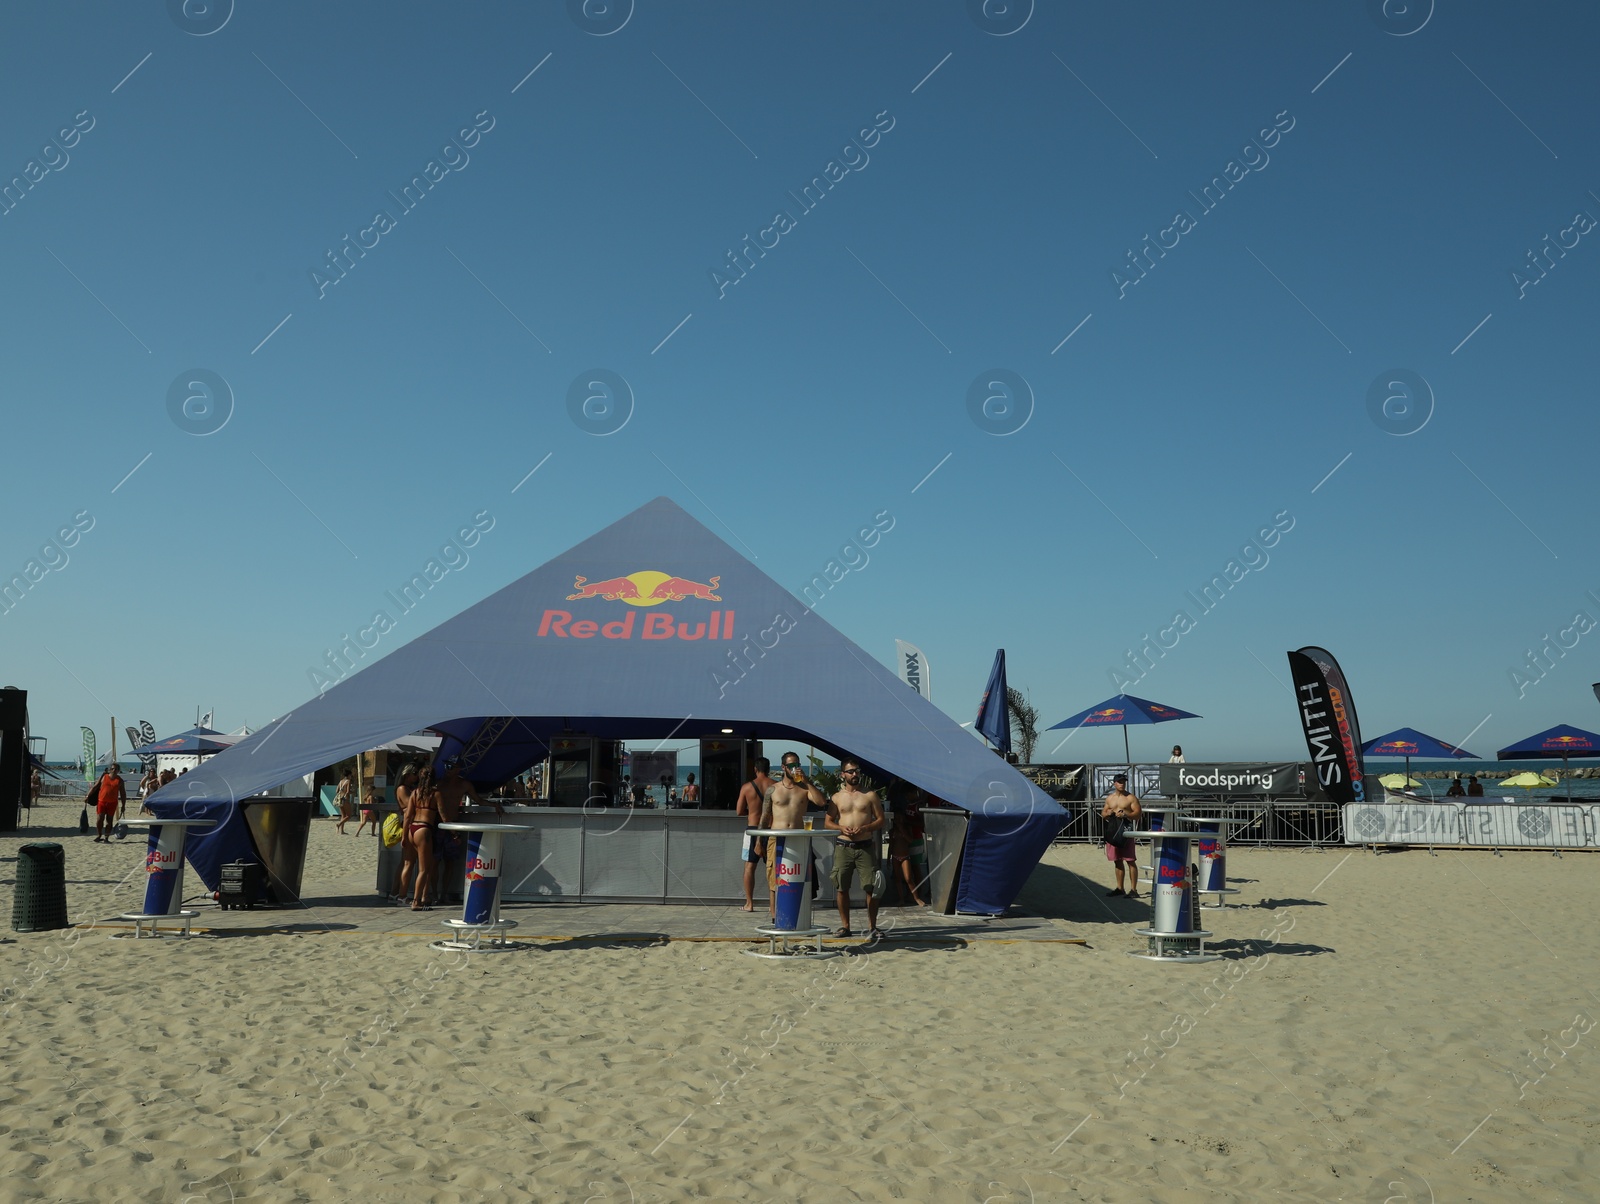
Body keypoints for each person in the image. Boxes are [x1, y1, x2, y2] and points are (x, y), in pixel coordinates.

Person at [824, 758, 885, 938]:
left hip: (865, 846)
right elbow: (828, 822)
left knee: (872, 887)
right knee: (841, 887)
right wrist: (841, 828)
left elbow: (881, 819)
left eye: (857, 771)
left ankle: (872, 926)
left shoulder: (870, 795)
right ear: (843, 774)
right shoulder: (836, 797)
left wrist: (866, 828)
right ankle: (845, 926)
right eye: (850, 771)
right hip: (844, 846)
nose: (854, 774)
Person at [760, 753, 826, 921]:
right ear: (783, 768)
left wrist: (807, 781)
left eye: (797, 764)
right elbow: (765, 817)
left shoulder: (804, 789)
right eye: (791, 765)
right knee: (775, 878)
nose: (795, 768)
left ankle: (800, 914)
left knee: (800, 878)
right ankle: (775, 916)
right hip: (777, 838)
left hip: (799, 839)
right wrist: (759, 841)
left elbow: (821, 802)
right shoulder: (773, 789)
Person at [735, 757, 776, 912]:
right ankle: (774, 904)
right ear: (769, 768)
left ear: (755, 769)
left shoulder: (747, 787)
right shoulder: (776, 786)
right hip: (771, 829)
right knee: (773, 868)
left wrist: (752, 811)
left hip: (753, 829)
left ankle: (749, 903)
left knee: (749, 867)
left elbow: (739, 811)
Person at [405, 766, 444, 910]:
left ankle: (423, 897)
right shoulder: (436, 794)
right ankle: (416, 901)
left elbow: (408, 816)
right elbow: (443, 815)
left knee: (414, 865)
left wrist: (404, 836)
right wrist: (453, 831)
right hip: (424, 829)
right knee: (424, 869)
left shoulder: (415, 793)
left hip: (412, 829)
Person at [1099, 773, 1142, 897]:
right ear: (1114, 783)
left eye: (1123, 781)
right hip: (1113, 830)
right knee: (1117, 861)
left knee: (1130, 860)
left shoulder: (1131, 798)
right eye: (1119, 782)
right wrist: (1109, 813)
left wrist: (1126, 815)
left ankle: (1134, 890)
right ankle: (1120, 888)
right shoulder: (1110, 798)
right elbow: (1103, 813)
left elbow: (1138, 814)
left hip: (1126, 829)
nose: (1122, 784)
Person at [888, 785, 928, 907]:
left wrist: (905, 824)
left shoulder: (918, 805)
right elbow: (891, 844)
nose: (906, 797)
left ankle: (918, 894)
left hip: (915, 839)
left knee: (914, 870)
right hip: (900, 849)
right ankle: (907, 895)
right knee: (901, 876)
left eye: (907, 795)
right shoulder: (907, 806)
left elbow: (922, 824)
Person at [392, 763, 421, 902]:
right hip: (409, 825)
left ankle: (395, 893)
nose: (417, 776)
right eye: (415, 773)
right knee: (408, 862)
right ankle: (400, 895)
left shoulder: (407, 788)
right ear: (407, 774)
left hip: (408, 824)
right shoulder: (403, 789)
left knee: (405, 861)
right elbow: (411, 806)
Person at [93, 763, 126, 843]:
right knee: (100, 819)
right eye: (112, 769)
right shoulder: (104, 777)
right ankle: (99, 835)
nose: (114, 770)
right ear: (110, 769)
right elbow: (96, 786)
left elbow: (123, 794)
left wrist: (123, 805)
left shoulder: (120, 780)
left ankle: (106, 837)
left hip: (112, 803)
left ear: (118, 771)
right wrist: (88, 796)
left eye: (116, 769)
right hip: (102, 801)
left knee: (109, 820)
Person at [334, 768, 354, 833]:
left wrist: (342, 792)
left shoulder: (341, 781)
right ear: (349, 775)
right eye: (351, 775)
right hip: (345, 799)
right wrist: (352, 792)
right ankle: (338, 824)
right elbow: (347, 791)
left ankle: (342, 831)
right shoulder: (348, 781)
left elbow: (336, 790)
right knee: (349, 816)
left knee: (343, 815)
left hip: (340, 799)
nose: (351, 777)